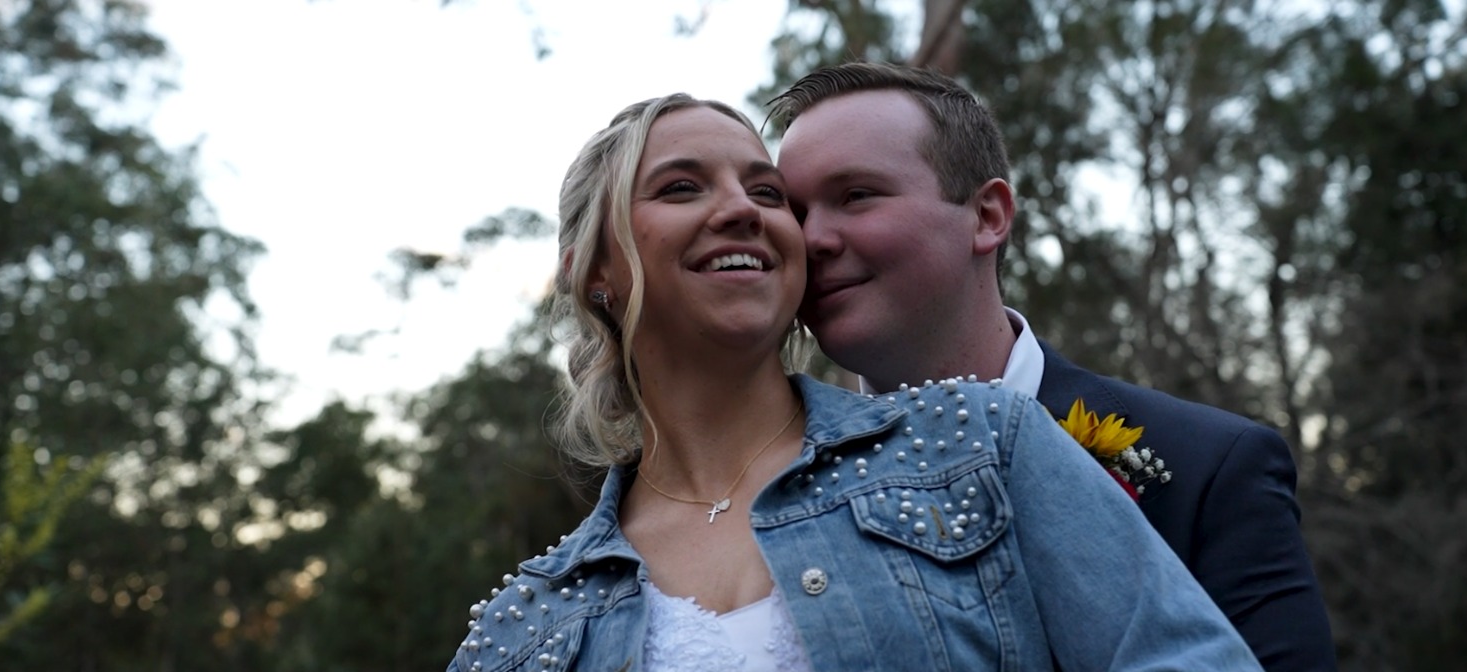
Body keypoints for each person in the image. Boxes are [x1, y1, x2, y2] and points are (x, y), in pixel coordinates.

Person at [444, 93, 1262, 672]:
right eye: (683, 187)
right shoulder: (525, 627)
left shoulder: (980, 444)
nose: (744, 209)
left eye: (765, 193)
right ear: (594, 273)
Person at [768, 61, 1337, 672]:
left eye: (855, 196)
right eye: (794, 213)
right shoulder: (767, 483)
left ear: (987, 215)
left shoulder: (1208, 469)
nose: (813, 239)